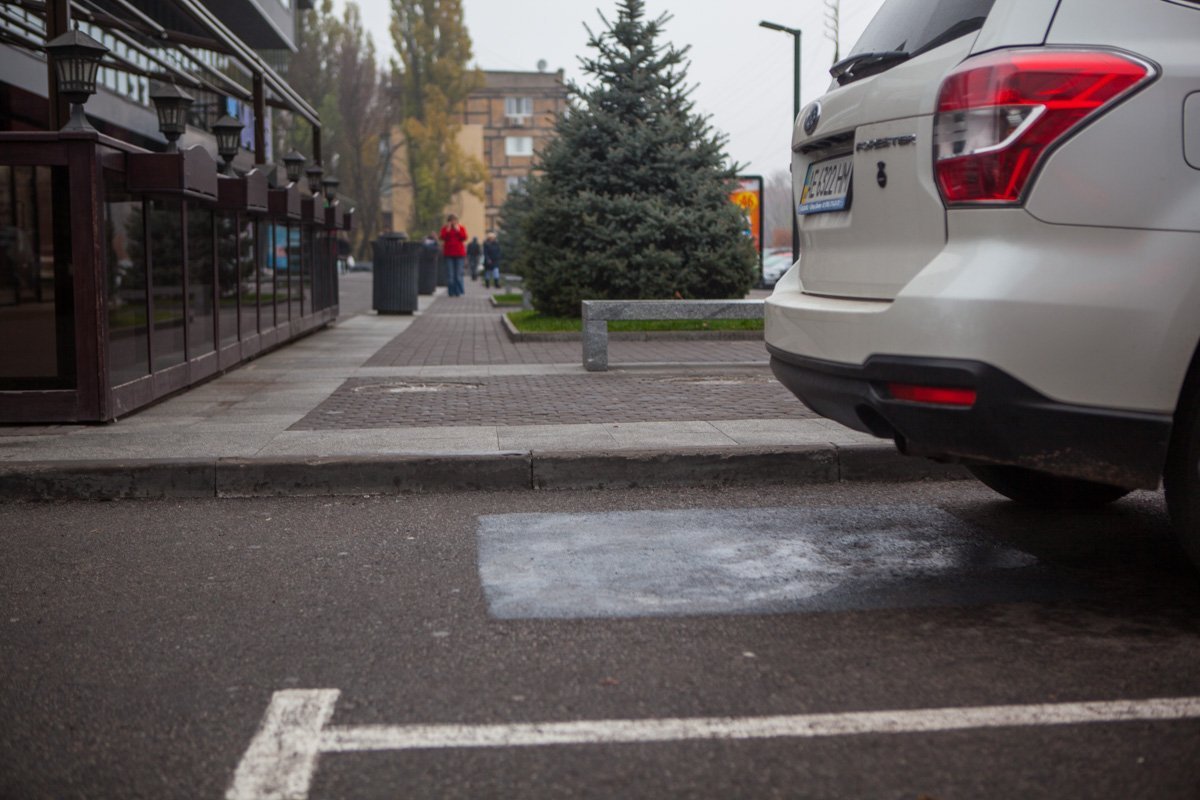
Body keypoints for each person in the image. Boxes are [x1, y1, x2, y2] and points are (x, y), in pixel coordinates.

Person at [438, 215, 468, 297]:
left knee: (458, 275)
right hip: (448, 254)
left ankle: (458, 291)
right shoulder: (445, 229)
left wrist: (458, 230)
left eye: (454, 220)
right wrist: (447, 230)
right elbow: (441, 237)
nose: (453, 222)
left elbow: (464, 237)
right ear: (448, 221)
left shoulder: (460, 228)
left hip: (459, 254)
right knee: (450, 275)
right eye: (451, 220)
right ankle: (451, 292)